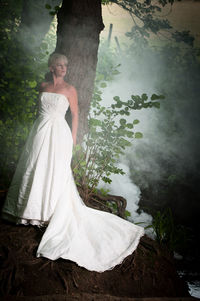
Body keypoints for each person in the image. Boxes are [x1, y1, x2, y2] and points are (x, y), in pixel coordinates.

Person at [1, 53, 144, 272]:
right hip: (39, 131)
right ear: (51, 67)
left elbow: (75, 115)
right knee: (34, 167)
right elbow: (36, 111)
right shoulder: (42, 86)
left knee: (55, 171)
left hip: (60, 133)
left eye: (65, 65)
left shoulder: (70, 90)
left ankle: (47, 212)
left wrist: (73, 140)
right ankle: (28, 210)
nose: (63, 68)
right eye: (59, 65)